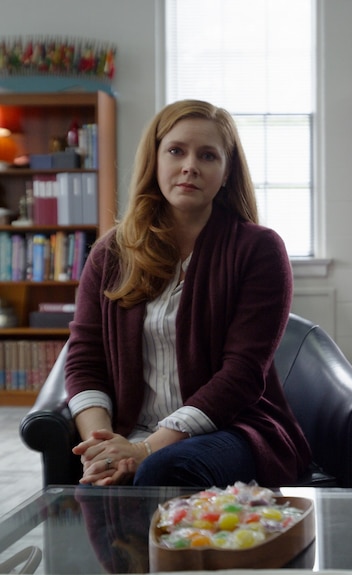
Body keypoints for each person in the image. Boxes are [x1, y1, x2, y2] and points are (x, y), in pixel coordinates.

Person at [65, 99, 312, 487]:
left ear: (227, 172)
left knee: (160, 469)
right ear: (156, 160)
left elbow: (242, 375)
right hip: (130, 430)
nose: (190, 166)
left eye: (208, 155)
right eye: (176, 151)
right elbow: (84, 358)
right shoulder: (111, 252)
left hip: (232, 430)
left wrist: (146, 450)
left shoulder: (259, 249)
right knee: (108, 477)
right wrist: (102, 446)